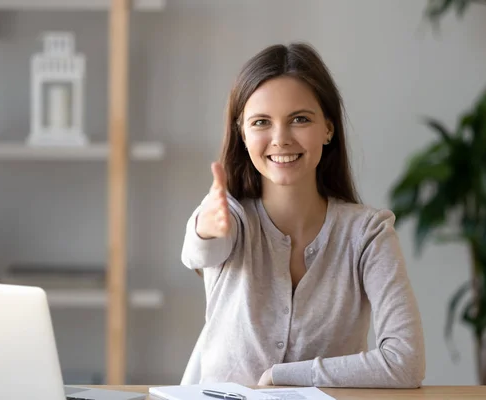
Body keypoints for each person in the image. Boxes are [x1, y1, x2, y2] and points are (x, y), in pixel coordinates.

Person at [180, 42, 425, 388]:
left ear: (328, 128)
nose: (280, 139)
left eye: (299, 119)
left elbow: (406, 362)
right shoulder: (230, 218)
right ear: (242, 133)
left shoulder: (369, 233)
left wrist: (284, 376)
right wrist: (205, 229)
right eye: (261, 122)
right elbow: (200, 250)